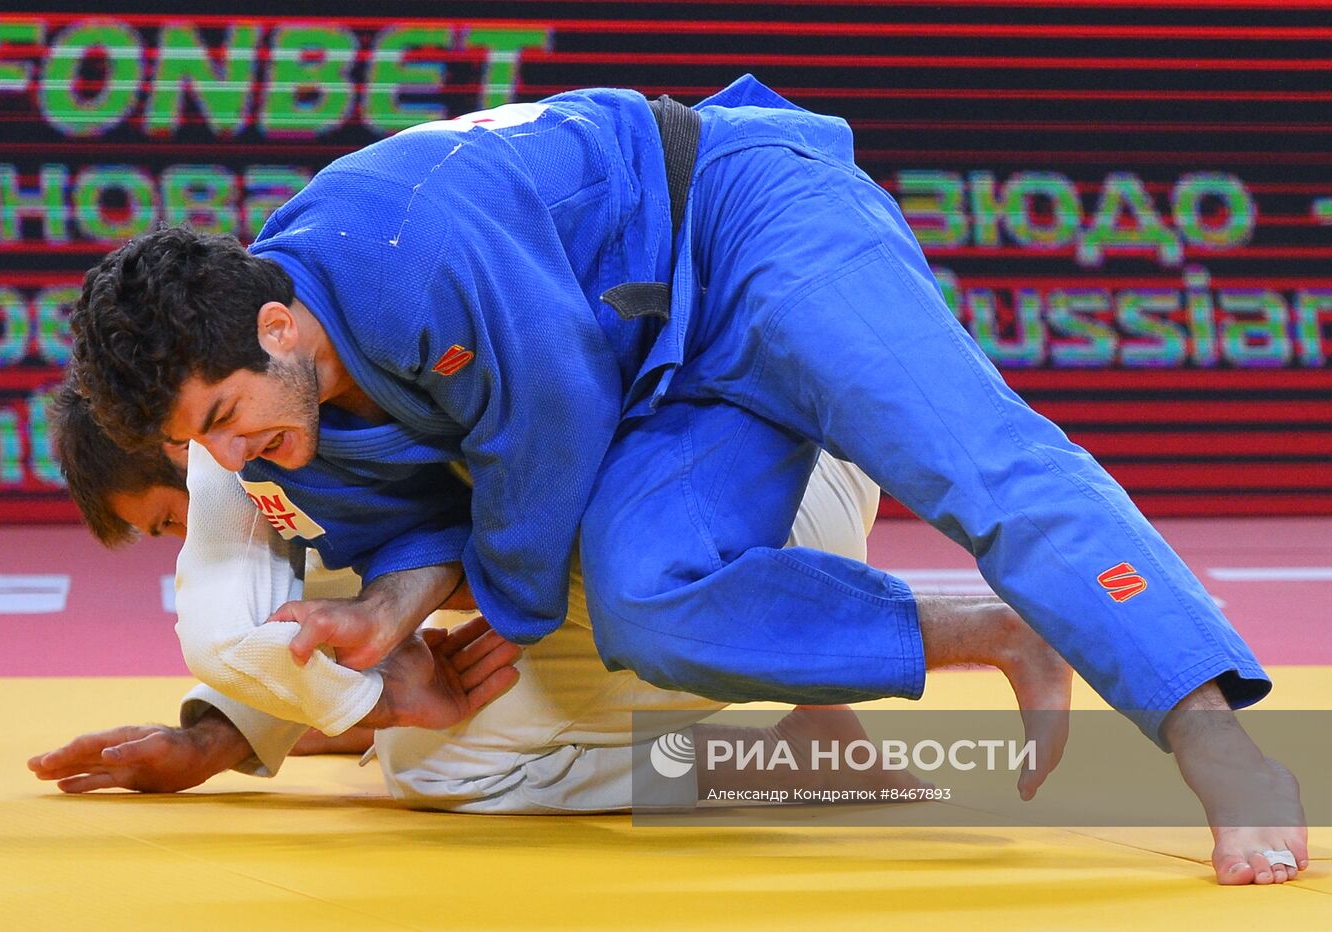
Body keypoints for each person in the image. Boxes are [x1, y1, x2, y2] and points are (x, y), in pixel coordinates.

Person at [69, 76, 1306, 883]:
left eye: (225, 419)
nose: (229, 463)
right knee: (645, 604)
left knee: (969, 457)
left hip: (743, 220)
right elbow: (424, 521)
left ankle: (1211, 734)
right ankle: (996, 628)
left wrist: (488, 614)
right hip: (667, 383)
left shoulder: (402, 241)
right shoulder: (293, 422)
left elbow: (548, 415)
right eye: (201, 449)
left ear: (279, 326)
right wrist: (385, 612)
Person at [34, 389, 962, 809]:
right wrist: (213, 739)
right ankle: (800, 679)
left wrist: (386, 697)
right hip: (796, 452)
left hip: (725, 522)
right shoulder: (299, 386)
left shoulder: (269, 457)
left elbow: (391, 592)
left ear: (180, 444)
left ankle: (777, 751)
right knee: (404, 681)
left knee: (435, 764)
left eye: (165, 523)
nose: (183, 548)